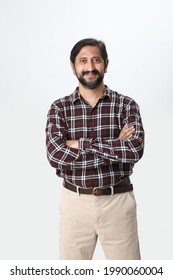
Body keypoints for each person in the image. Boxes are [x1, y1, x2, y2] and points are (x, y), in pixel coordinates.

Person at [45, 38, 145, 260]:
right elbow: (55, 155)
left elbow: (134, 150)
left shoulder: (126, 105)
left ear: (106, 64)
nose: (90, 67)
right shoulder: (59, 108)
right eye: (83, 61)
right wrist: (114, 144)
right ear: (74, 67)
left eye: (96, 60)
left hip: (118, 201)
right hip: (74, 203)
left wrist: (80, 144)